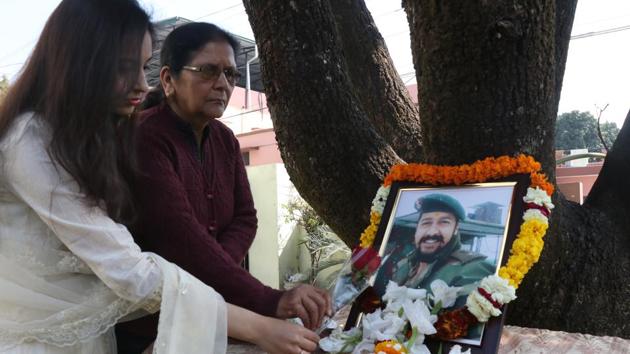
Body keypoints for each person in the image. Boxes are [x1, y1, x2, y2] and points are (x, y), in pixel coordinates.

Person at [0, 1, 319, 353]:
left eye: (142, 67)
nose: (140, 84)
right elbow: (136, 265)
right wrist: (260, 321)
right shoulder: (33, 140)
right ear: (78, 64)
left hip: (102, 328)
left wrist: (226, 276)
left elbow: (244, 218)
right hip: (42, 338)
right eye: (124, 68)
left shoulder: (96, 139)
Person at [115, 22, 331, 352]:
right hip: (154, 322)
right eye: (207, 71)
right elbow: (180, 238)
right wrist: (270, 299)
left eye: (230, 74)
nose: (222, 85)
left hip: (220, 304)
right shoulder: (146, 137)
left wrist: (218, 267)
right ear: (169, 80)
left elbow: (245, 218)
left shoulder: (225, 139)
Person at [375, 193, 495, 307]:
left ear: (456, 229)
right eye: (426, 223)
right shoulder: (405, 264)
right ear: (417, 228)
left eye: (444, 222)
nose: (432, 232)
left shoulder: (473, 268)